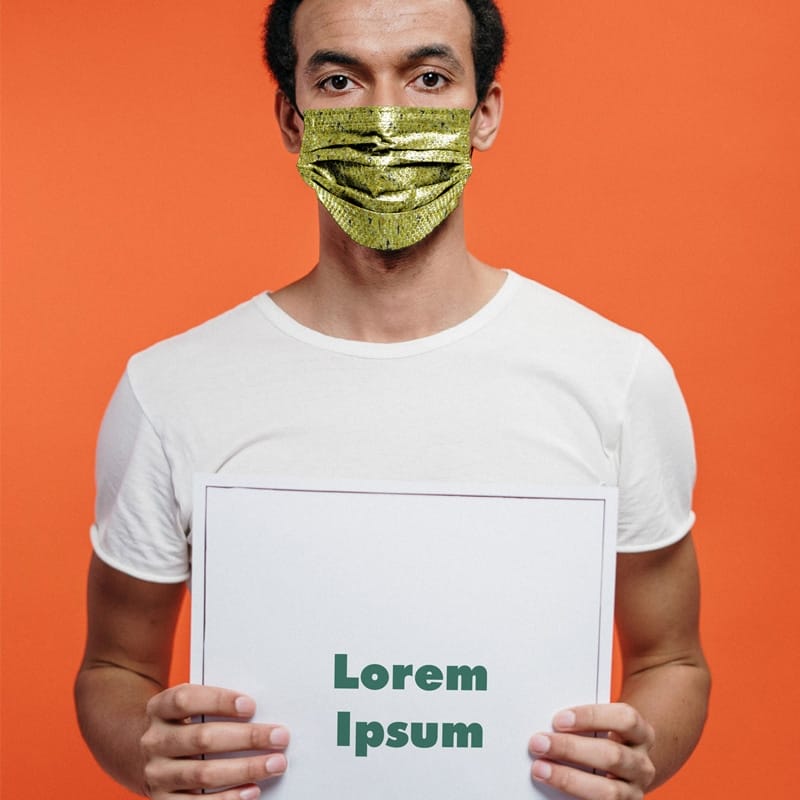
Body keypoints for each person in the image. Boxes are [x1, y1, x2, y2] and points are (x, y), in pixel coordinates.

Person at [75, 0, 710, 798]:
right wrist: (151, 751)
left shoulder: (614, 376)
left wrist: (633, 755)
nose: (384, 118)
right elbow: (114, 667)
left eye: (428, 78)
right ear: (292, 117)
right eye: (340, 79)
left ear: (483, 114)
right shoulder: (171, 388)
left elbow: (672, 660)